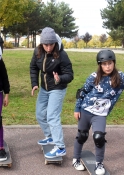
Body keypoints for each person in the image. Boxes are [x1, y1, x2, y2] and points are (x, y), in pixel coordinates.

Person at [30, 27, 74, 158]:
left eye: (51, 44)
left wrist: (60, 78)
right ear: (41, 43)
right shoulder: (38, 51)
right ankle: (50, 136)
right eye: (45, 45)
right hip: (44, 88)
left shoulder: (62, 54)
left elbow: (70, 75)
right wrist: (34, 83)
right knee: (39, 114)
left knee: (52, 116)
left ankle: (60, 147)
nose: (48, 48)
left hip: (57, 88)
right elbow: (33, 67)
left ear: (55, 43)